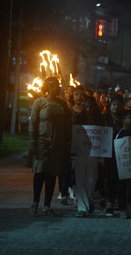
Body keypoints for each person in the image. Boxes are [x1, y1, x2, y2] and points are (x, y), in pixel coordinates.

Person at [29, 76, 71, 216]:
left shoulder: (63, 104)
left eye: (59, 85)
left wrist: (67, 143)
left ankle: (47, 205)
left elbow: (67, 125)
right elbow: (33, 123)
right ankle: (35, 203)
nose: (59, 87)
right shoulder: (39, 103)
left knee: (52, 173)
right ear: (49, 87)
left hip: (57, 144)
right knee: (40, 171)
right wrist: (32, 142)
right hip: (42, 142)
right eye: (56, 85)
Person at [74, 96, 103, 217]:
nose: (88, 108)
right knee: (80, 178)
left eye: (90, 105)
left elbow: (104, 135)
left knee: (91, 179)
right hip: (80, 151)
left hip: (94, 151)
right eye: (86, 105)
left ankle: (88, 200)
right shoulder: (78, 117)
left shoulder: (100, 119)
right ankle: (82, 207)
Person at [115, 109, 131, 218]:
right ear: (123, 120)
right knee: (121, 187)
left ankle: (130, 204)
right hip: (122, 166)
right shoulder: (119, 133)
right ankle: (122, 209)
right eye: (129, 118)